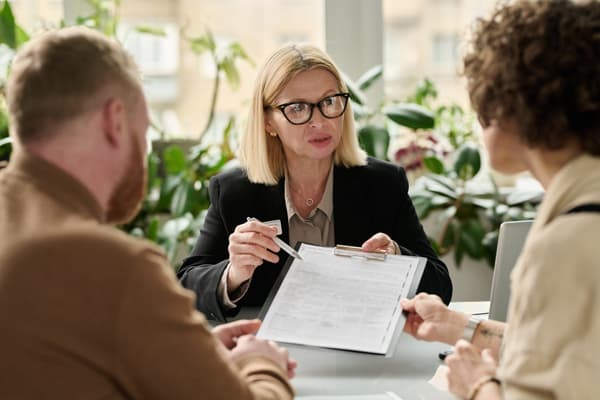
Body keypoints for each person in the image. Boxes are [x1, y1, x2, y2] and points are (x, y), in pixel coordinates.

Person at [0, 27, 295, 399]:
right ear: (115, 121)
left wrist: (186, 352)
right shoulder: (115, 267)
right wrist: (260, 362)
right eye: (145, 131)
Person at [401, 1, 600, 399]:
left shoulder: (565, 246)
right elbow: (567, 353)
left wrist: (476, 386)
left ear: (511, 109)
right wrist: (462, 328)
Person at [177, 43, 452, 321]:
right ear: (268, 123)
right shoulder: (236, 191)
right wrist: (233, 273)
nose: (319, 122)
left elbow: (440, 286)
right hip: (270, 351)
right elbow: (186, 285)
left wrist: (396, 259)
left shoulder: (382, 184)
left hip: (356, 353)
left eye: (329, 102)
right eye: (297, 108)